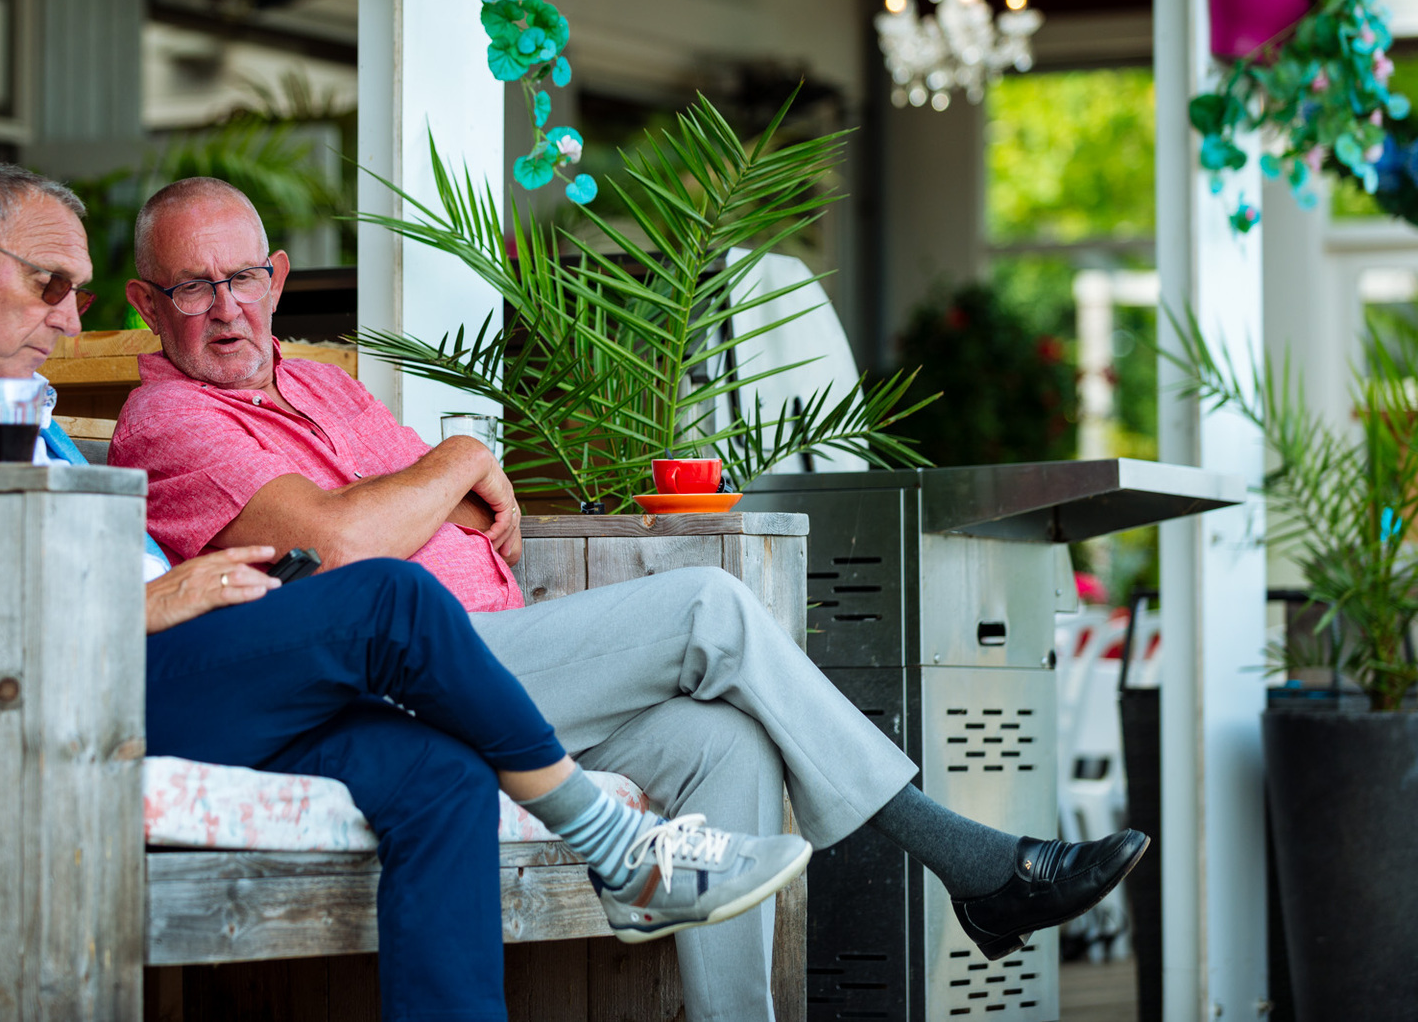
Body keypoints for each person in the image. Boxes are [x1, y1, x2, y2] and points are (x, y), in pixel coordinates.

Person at [0, 162, 814, 1022]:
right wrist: (158, 596)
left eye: (79, 292)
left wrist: (202, 587)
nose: (68, 315)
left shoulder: (21, 407)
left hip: (172, 662)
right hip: (76, 683)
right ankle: (613, 845)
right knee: (394, 601)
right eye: (51, 283)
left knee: (441, 771)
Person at [112, 176, 1149, 1022]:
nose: (224, 307)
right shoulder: (171, 420)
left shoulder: (329, 386)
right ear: (147, 305)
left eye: (241, 275)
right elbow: (347, 548)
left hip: (502, 663)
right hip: (406, 671)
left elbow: (451, 522)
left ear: (277, 276)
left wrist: (418, 502)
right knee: (708, 606)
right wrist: (459, 458)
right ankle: (971, 860)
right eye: (192, 287)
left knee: (722, 745)